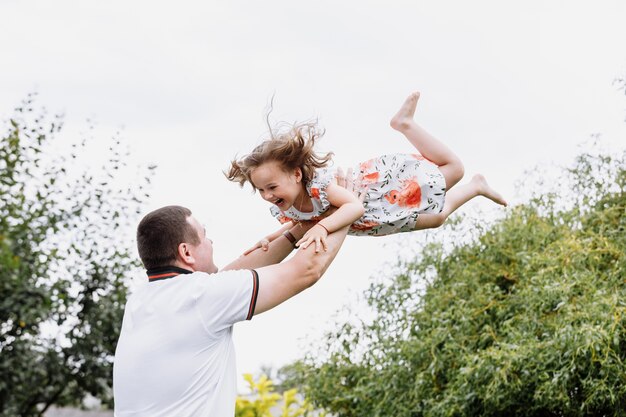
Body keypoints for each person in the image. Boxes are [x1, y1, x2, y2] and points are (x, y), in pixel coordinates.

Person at [113, 173, 359, 417]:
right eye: (204, 236)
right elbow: (306, 270)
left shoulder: (141, 300)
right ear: (186, 252)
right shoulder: (201, 297)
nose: (211, 241)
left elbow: (229, 277)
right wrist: (344, 211)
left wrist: (299, 229)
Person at [226, 91, 508, 253]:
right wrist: (268, 240)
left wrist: (323, 227)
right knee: (437, 218)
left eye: (271, 187)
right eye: (261, 189)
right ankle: (477, 186)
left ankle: (404, 124)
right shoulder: (286, 207)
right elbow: (299, 223)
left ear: (297, 175)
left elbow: (354, 206)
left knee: (454, 169)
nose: (266, 195)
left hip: (386, 193)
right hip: (378, 220)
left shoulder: (320, 187)